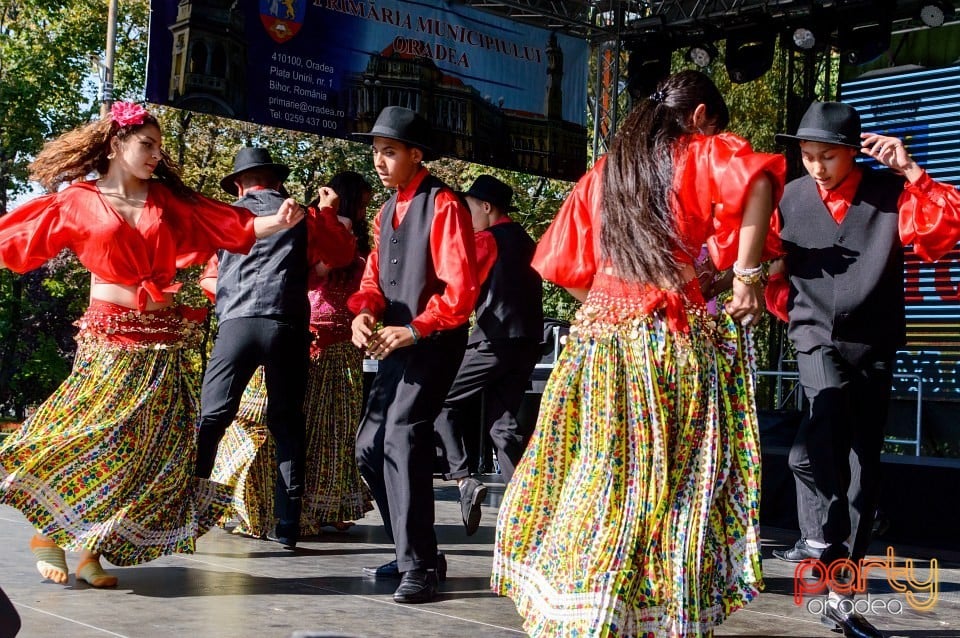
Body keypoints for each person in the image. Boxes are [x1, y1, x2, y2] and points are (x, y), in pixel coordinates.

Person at [491, 70, 786, 637]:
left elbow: (559, 264)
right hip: (664, 347)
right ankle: (654, 614)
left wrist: (613, 299)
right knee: (668, 489)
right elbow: (756, 182)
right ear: (700, 116)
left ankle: (581, 609)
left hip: (597, 346)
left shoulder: (606, 172)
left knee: (596, 477)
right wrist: (747, 277)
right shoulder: (697, 152)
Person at [0, 102, 305, 588]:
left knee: (139, 447)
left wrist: (279, 222)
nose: (156, 155)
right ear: (117, 144)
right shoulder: (76, 200)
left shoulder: (167, 200)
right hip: (109, 335)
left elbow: (229, 227)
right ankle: (46, 532)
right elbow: (15, 239)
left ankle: (91, 551)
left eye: (160, 147)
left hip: (161, 343)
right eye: (148, 145)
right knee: (92, 431)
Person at [766, 101, 960, 638]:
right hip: (813, 333)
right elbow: (765, 257)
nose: (816, 166)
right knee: (813, 442)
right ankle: (815, 538)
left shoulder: (890, 193)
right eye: (807, 156)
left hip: (873, 342)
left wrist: (911, 169)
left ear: (853, 153)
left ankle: (839, 592)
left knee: (860, 467)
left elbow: (948, 229)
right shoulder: (789, 196)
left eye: (826, 156)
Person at [348, 106, 480, 604]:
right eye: (376, 152)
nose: (379, 162)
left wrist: (415, 328)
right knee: (368, 446)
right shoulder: (386, 212)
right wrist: (363, 312)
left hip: (436, 341)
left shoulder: (443, 204)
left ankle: (419, 564)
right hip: (396, 343)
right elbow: (372, 280)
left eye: (389, 152)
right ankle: (412, 550)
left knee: (402, 436)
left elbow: (460, 290)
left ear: (415, 155)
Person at [194, 147, 355, 551]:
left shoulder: (224, 215)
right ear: (277, 181)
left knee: (213, 415)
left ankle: (189, 503)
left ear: (238, 183)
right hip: (287, 324)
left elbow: (204, 275)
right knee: (287, 422)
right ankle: (287, 524)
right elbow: (340, 255)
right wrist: (329, 214)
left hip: (238, 324)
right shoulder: (302, 214)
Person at [433, 175, 543, 536]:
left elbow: (458, 282)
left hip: (492, 342)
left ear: (486, 206)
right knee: (504, 425)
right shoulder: (528, 242)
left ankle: (464, 479)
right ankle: (524, 511)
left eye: (469, 209)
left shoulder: (486, 240)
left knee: (440, 400)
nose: (466, 217)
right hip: (527, 343)